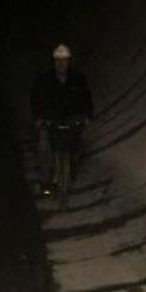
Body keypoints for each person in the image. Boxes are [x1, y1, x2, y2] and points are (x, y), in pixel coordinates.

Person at [29, 44, 93, 196]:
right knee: (44, 146)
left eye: (64, 61)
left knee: (75, 142)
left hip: (71, 118)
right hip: (51, 119)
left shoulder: (78, 79)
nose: (61, 64)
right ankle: (46, 180)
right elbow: (35, 99)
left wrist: (87, 116)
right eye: (58, 61)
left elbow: (86, 99)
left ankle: (72, 166)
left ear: (69, 62)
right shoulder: (45, 80)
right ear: (54, 62)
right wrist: (38, 118)